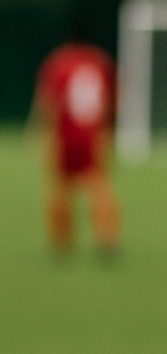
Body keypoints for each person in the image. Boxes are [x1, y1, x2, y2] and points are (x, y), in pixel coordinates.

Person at [32, 40, 120, 256]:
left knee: (60, 188)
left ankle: (62, 243)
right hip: (93, 135)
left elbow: (49, 101)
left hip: (65, 135)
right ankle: (107, 239)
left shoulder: (59, 62)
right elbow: (113, 99)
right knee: (99, 186)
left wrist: (41, 133)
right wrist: (108, 130)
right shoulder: (101, 61)